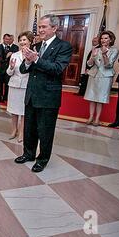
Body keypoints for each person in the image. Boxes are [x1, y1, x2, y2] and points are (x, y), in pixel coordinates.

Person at [14, 15, 73, 173]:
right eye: (39, 27)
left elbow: (57, 69)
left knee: (45, 131)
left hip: (48, 97)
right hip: (32, 94)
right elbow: (23, 70)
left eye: (43, 27)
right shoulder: (36, 45)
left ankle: (42, 159)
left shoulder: (64, 46)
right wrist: (27, 61)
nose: (40, 30)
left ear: (54, 28)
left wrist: (36, 59)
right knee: (29, 128)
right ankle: (28, 153)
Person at [83, 31, 119, 126]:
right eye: (102, 38)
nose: (103, 40)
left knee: (100, 98)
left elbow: (108, 65)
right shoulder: (96, 49)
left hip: (105, 76)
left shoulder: (114, 50)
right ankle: (90, 117)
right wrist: (93, 56)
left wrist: (104, 54)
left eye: (106, 38)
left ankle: (97, 119)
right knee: (92, 97)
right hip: (94, 74)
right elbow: (89, 64)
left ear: (111, 39)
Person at [6, 31, 32, 142]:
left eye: (24, 40)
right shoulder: (14, 55)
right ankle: (13, 131)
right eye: (20, 40)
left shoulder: (34, 54)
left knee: (24, 112)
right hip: (14, 86)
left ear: (30, 42)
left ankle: (21, 133)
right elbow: (8, 73)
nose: (22, 42)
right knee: (14, 111)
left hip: (26, 86)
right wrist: (11, 67)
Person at [0, 33, 19, 103]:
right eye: (6, 39)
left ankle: (6, 98)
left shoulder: (15, 47)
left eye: (9, 39)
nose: (7, 40)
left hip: (9, 69)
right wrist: (6, 57)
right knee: (0, 84)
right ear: (3, 39)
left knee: (7, 84)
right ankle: (0, 97)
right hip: (1, 68)